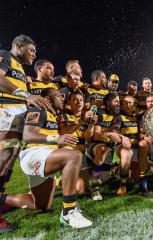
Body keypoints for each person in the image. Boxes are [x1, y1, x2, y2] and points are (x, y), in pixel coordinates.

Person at [0, 88, 92, 229]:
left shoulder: (53, 115)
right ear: (47, 100)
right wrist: (56, 138)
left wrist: (82, 121)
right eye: (59, 96)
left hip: (47, 156)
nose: (63, 98)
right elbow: (29, 135)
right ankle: (69, 212)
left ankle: (2, 199)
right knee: (73, 156)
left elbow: (64, 132)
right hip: (34, 154)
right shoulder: (38, 110)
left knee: (40, 204)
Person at [0, 35, 51, 232]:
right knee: (4, 157)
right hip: (5, 110)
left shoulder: (20, 68)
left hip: (15, 114)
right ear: (18, 46)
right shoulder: (5, 55)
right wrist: (27, 95)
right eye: (32, 50)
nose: (34, 54)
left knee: (9, 157)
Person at [87, 92, 130, 200]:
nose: (118, 103)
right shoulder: (99, 113)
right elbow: (96, 136)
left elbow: (115, 130)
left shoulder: (117, 116)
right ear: (107, 102)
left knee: (105, 177)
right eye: (115, 101)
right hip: (94, 145)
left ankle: (114, 171)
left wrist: (120, 136)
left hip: (109, 147)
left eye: (118, 101)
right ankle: (94, 189)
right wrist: (109, 134)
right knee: (102, 149)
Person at [58, 90, 97, 193]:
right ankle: (56, 181)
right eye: (75, 100)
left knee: (83, 189)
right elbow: (63, 131)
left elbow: (88, 138)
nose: (78, 102)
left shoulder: (86, 116)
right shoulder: (64, 114)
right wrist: (81, 121)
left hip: (81, 151)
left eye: (81, 100)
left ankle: (62, 181)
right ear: (70, 102)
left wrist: (91, 126)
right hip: (68, 149)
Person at [114, 95, 140, 195]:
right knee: (127, 153)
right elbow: (115, 130)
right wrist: (122, 137)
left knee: (135, 178)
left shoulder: (138, 117)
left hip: (136, 148)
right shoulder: (120, 117)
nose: (128, 104)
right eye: (125, 102)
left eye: (130, 102)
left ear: (134, 104)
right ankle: (123, 184)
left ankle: (117, 169)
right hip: (123, 146)